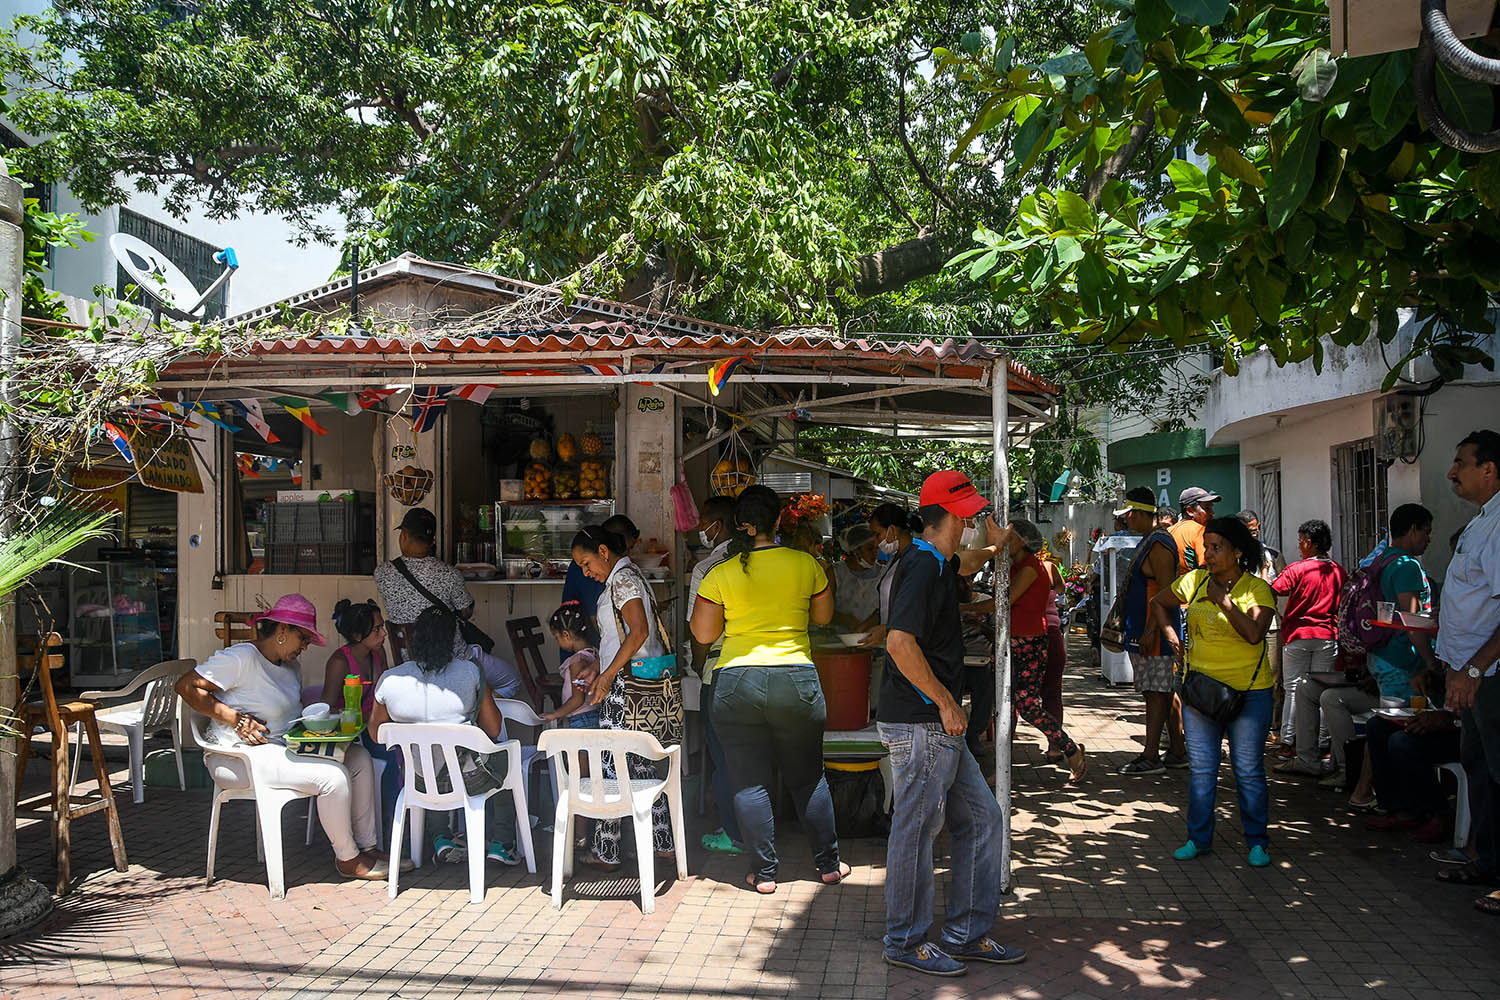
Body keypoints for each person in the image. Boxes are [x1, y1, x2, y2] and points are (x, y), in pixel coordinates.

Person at [878, 470, 1027, 977]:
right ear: (955, 514)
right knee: (916, 830)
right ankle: (905, 940)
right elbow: (899, 644)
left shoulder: (936, 560)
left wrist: (990, 548)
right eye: (972, 512)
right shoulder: (920, 567)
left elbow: (961, 562)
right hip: (922, 724)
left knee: (982, 819)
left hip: (938, 725)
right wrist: (945, 700)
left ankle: (965, 932)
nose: (977, 518)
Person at [690, 484, 845, 893]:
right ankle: (828, 865)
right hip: (796, 678)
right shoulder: (805, 563)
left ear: (739, 524)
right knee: (809, 778)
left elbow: (703, 633)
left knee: (748, 780)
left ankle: (765, 874)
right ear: (778, 520)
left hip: (736, 680)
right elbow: (824, 617)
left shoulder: (719, 573)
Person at [174, 594, 387, 880]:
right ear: (283, 630)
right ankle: (347, 859)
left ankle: (366, 846)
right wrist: (236, 720)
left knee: (359, 758)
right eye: (304, 638)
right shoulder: (241, 658)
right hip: (239, 757)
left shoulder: (291, 668)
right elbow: (186, 686)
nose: (306, 647)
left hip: (281, 750)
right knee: (332, 777)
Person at [1151, 516, 1276, 867]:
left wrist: (1223, 602)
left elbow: (1254, 633)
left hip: (1249, 694)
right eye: (1206, 547)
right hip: (1202, 692)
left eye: (1217, 547)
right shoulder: (1194, 580)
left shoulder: (1257, 589)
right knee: (1203, 771)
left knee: (1247, 769)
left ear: (1237, 551)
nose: (1208, 554)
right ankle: (1198, 838)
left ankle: (1257, 842)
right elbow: (1159, 602)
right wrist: (1169, 633)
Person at [1279, 504, 1435, 788]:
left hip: (1378, 655)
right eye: (1426, 532)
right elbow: (1412, 619)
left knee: (1382, 724)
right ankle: (1388, 792)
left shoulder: (1380, 562)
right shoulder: (1406, 567)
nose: (1428, 539)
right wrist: (1431, 660)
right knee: (1400, 730)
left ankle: (1357, 782)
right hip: (1403, 662)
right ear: (1413, 530)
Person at [368, 605, 523, 867]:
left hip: (418, 781)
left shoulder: (390, 679)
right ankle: (502, 843)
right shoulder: (469, 672)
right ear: (453, 639)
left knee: (430, 764)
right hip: (468, 780)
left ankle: (441, 838)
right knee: (504, 757)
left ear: (413, 640)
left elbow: (375, 733)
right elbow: (494, 728)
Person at [574, 523, 675, 870]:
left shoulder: (623, 580)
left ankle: (607, 852)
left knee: (610, 765)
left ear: (604, 552)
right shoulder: (624, 577)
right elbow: (620, 638)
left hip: (626, 686)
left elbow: (640, 631)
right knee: (643, 764)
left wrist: (607, 674)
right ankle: (663, 843)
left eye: (587, 564)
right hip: (638, 682)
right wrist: (598, 667)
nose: (586, 573)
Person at [1434, 429, 1500, 913]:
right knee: (1479, 770)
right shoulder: (1483, 521)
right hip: (1470, 675)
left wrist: (1474, 670)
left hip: (1489, 678)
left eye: (1462, 462)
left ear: (1489, 468)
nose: (1453, 473)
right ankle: (1487, 861)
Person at [375, 507, 525, 700]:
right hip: (454, 656)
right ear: (433, 542)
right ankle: (476, 710)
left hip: (408, 658)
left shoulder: (382, 574)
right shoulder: (450, 574)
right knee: (511, 680)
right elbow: (465, 612)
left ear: (403, 535)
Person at [1006, 517, 1087, 782]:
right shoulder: (1015, 567)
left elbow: (1003, 601)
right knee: (1012, 703)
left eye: (1009, 535)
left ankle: (1068, 747)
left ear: (1021, 540)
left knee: (1028, 703)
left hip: (1029, 641)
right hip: (1019, 640)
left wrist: (966, 608)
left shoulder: (1031, 568)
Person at [685, 494, 744, 855]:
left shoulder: (708, 569)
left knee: (724, 759)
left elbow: (700, 632)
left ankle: (734, 833)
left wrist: (697, 661)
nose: (699, 528)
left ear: (718, 524)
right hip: (765, 668)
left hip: (722, 671)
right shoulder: (761, 561)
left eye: (704, 519)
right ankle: (759, 833)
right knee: (756, 757)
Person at [1115, 487, 1187, 776]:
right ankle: (1178, 750)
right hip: (1146, 629)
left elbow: (1168, 592)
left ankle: (1150, 755)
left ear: (1137, 513)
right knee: (1162, 692)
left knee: (1156, 693)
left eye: (1129, 516)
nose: (1127, 521)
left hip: (1154, 633)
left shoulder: (1158, 544)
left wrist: (1152, 629)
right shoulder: (1149, 540)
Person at [322, 599, 400, 842]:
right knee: (390, 760)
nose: (383, 633)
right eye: (376, 629)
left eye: (381, 627)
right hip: (351, 733)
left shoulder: (378, 653)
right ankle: (391, 831)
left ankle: (401, 823)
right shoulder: (339, 662)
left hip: (376, 725)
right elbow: (327, 708)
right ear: (357, 634)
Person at [1268, 520, 1345, 755]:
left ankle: (1290, 742)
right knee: (1322, 691)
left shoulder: (1298, 569)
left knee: (1293, 689)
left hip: (1298, 635)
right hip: (1328, 636)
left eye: (1301, 541)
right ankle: (1322, 743)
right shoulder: (1337, 570)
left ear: (1309, 543)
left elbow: (1273, 589)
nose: (1299, 546)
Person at [1365, 668, 1461, 843]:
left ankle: (1439, 813)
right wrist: (1433, 677)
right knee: (1377, 726)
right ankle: (1400, 809)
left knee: (1403, 742)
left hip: (1467, 733)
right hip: (1447, 718)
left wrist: (1450, 719)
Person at [541, 601, 601, 728]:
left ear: (566, 635)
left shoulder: (577, 661)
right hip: (593, 714)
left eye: (557, 637)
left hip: (582, 719)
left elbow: (577, 699)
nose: (557, 642)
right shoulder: (595, 653)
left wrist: (555, 714)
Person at [833, 524, 884, 634]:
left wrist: (870, 622)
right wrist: (845, 619)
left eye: (877, 548)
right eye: (870, 548)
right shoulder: (835, 573)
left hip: (874, 639)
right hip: (839, 639)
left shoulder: (884, 574)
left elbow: (888, 608)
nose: (875, 553)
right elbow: (823, 610)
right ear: (855, 550)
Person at [1169, 487, 1219, 574]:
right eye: (1207, 509)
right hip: (1194, 586)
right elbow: (1207, 567)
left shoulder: (1169, 531)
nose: (1212, 513)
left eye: (1211, 508)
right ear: (1190, 511)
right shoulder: (1199, 531)